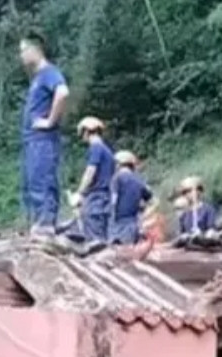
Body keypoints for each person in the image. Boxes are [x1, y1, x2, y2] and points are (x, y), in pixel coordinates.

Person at [19, 33, 70, 239]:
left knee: (43, 178)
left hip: (42, 139)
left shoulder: (49, 72)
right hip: (33, 141)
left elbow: (63, 92)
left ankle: (46, 223)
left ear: (34, 49)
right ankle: (40, 222)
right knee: (33, 180)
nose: (21, 56)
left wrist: (49, 121)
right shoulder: (37, 78)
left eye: (22, 50)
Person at [69, 116, 114, 244]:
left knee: (95, 241)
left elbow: (90, 172)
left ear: (86, 131)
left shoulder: (96, 147)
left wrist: (80, 193)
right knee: (104, 237)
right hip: (106, 197)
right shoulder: (108, 151)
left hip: (96, 198)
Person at [109, 150, 157, 246]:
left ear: (118, 164)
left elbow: (113, 202)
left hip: (119, 224)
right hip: (134, 224)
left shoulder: (117, 179)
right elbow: (155, 201)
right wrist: (144, 216)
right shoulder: (139, 181)